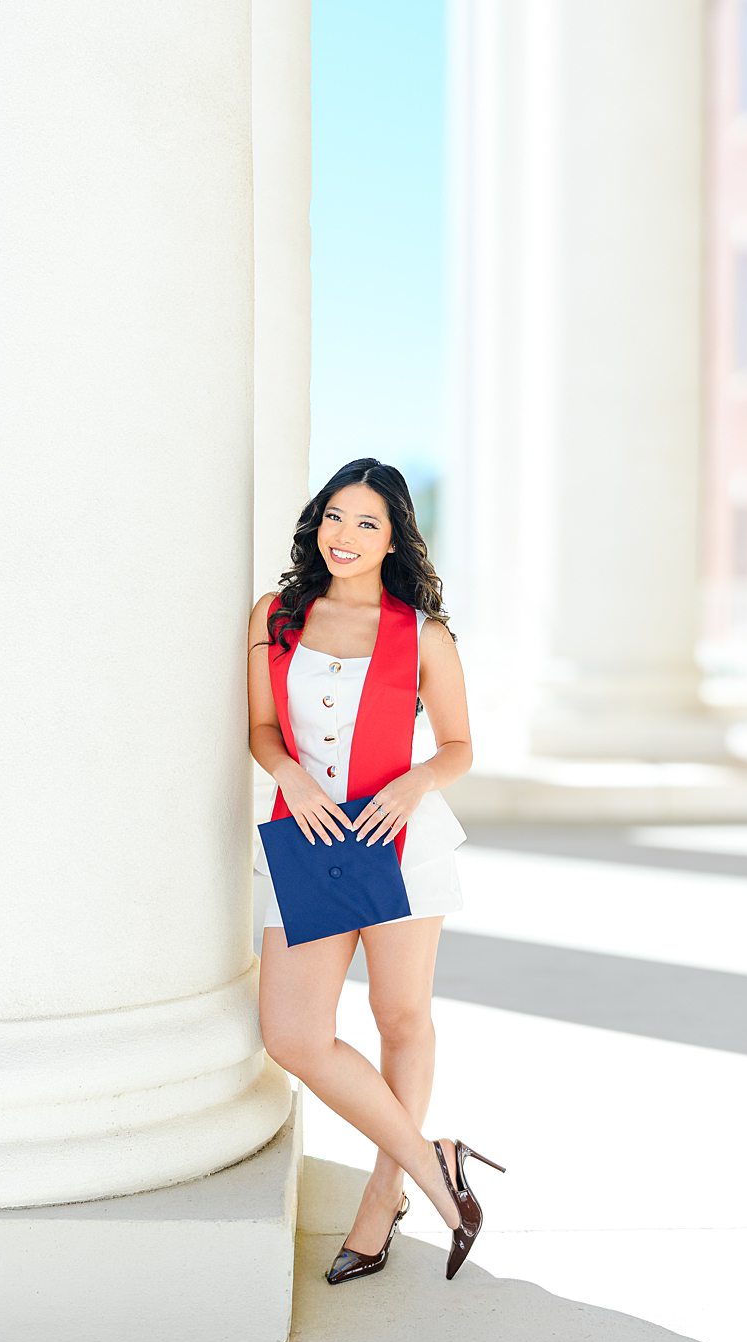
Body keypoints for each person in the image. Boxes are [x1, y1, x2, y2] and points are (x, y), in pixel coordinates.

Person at [245, 458, 506, 1284]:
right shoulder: (277, 614)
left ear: (394, 539)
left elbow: (459, 746)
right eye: (335, 516)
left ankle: (383, 1195)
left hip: (400, 838)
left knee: (400, 1016)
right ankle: (435, 1163)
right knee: (294, 1035)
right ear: (316, 522)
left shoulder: (422, 633)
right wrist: (287, 773)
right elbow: (261, 726)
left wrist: (415, 781)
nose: (346, 535)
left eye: (367, 523)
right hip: (308, 839)